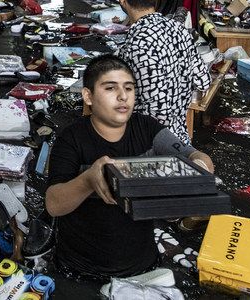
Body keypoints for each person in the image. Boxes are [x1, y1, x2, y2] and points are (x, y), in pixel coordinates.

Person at [45, 54, 214, 278]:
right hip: (82, 269)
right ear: (88, 96)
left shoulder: (147, 129)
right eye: (110, 88)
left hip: (142, 263)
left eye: (129, 88)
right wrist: (87, 180)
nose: (123, 96)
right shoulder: (71, 139)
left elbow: (194, 155)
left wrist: (198, 167)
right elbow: (53, 205)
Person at [117, 0, 211, 144]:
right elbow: (204, 81)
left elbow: (158, 115)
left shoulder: (139, 42)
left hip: (152, 149)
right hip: (181, 141)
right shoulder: (178, 29)